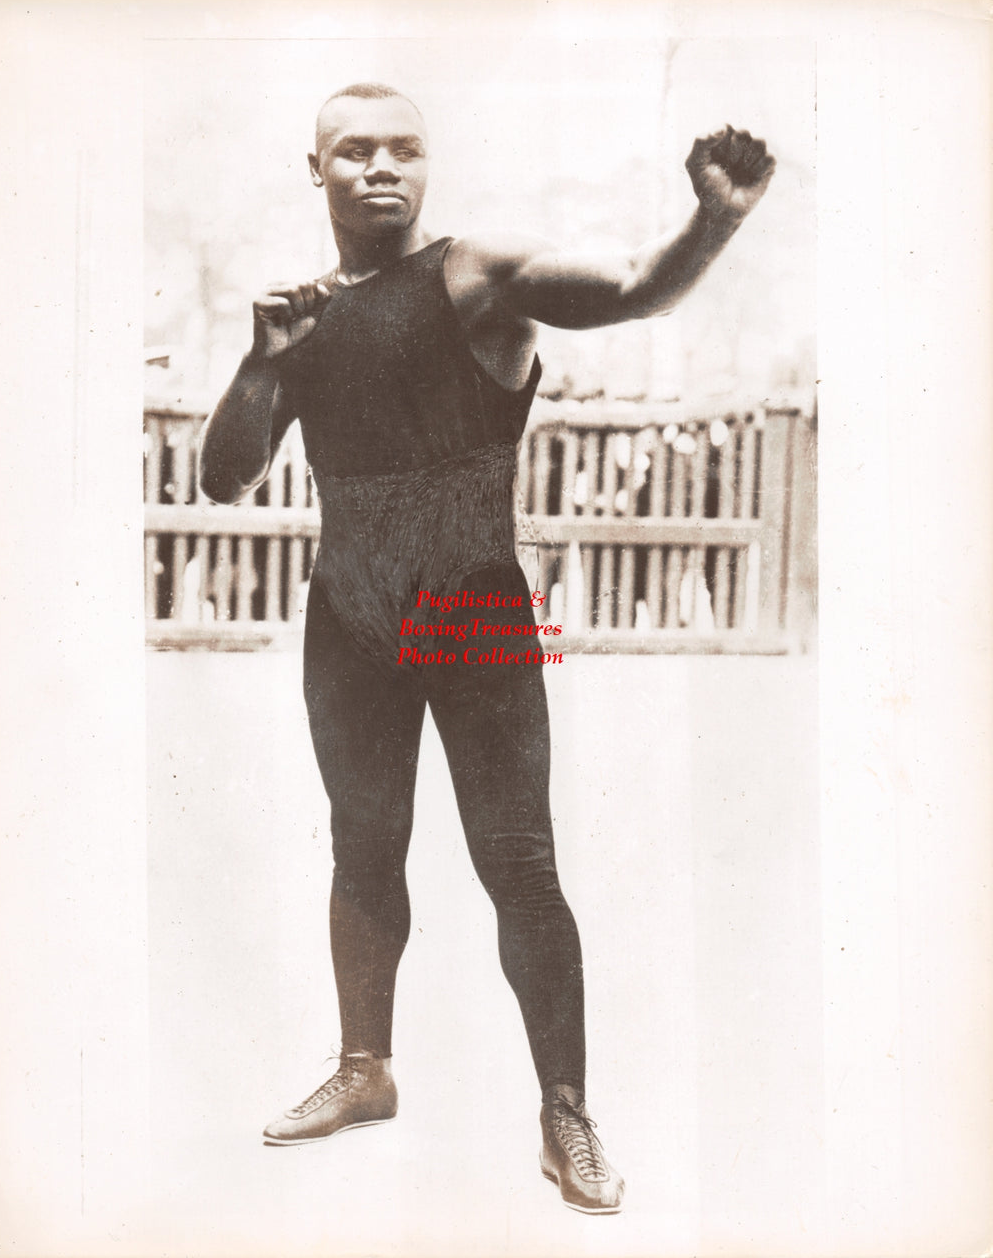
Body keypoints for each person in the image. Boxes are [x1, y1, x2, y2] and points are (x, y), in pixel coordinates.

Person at [199, 81, 774, 1215]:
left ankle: (566, 1112)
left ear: (429, 166)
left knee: (518, 865)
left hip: (470, 611)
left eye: (403, 149)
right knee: (363, 849)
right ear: (312, 171)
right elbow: (226, 477)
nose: (380, 169)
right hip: (348, 622)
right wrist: (264, 359)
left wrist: (712, 220)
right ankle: (365, 1071)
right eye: (352, 151)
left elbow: (632, 294)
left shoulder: (478, 274)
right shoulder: (301, 313)